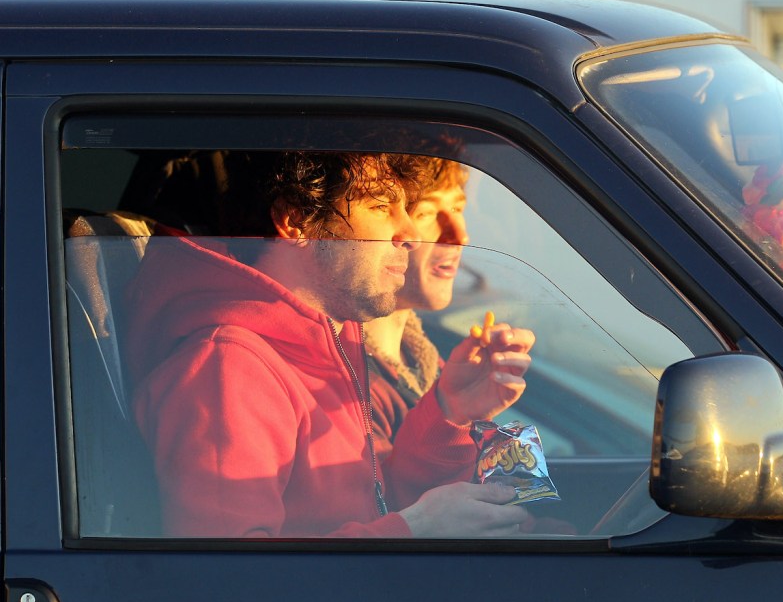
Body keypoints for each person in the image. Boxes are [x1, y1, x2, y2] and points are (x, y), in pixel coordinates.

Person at [125, 150, 535, 538]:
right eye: (381, 206)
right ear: (296, 219)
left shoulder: (329, 350)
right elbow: (226, 577)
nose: (410, 234)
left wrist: (452, 409)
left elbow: (376, 508)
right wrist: (413, 530)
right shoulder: (227, 369)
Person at [364, 158, 469, 456]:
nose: (459, 236)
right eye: (427, 212)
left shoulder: (431, 365)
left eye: (458, 209)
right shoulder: (353, 386)